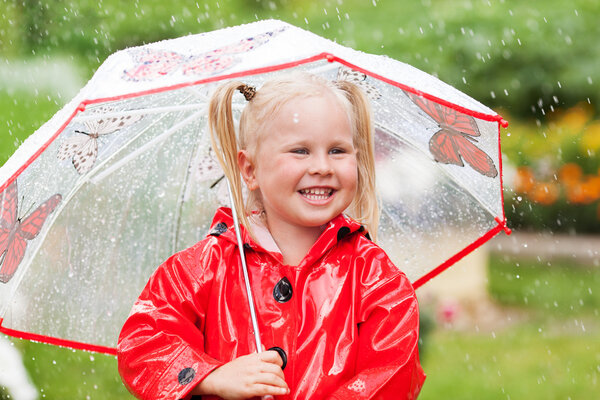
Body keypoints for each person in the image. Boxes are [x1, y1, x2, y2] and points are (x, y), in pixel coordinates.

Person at [117, 72, 425, 400]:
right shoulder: (203, 267)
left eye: (337, 151)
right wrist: (212, 375)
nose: (322, 166)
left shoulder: (375, 278)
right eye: (300, 151)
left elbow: (392, 371)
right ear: (249, 170)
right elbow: (145, 339)